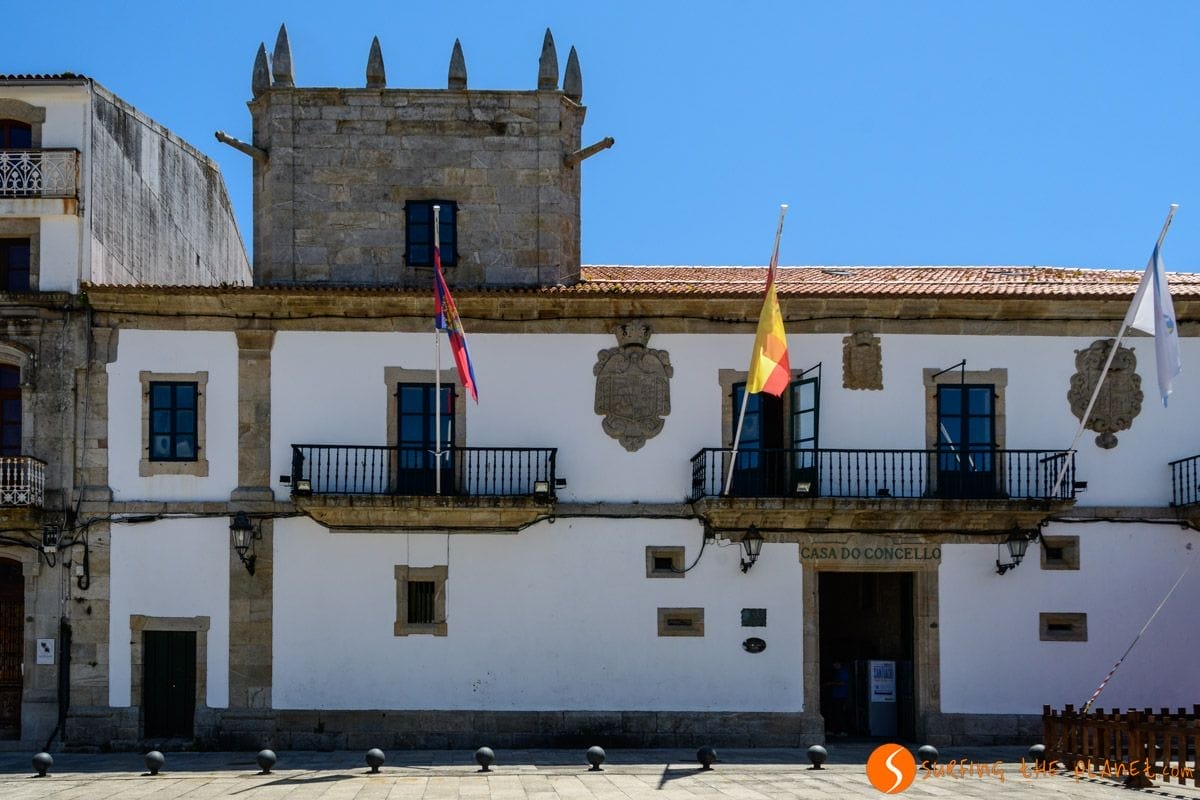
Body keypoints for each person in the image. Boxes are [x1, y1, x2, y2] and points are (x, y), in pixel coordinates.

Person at [826, 661, 851, 736]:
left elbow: (842, 683)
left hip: (841, 696)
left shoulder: (843, 672)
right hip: (836, 695)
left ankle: (843, 730)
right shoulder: (838, 672)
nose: (834, 665)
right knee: (835, 713)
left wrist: (831, 683)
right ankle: (835, 731)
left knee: (840, 714)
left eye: (835, 664)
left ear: (839, 663)